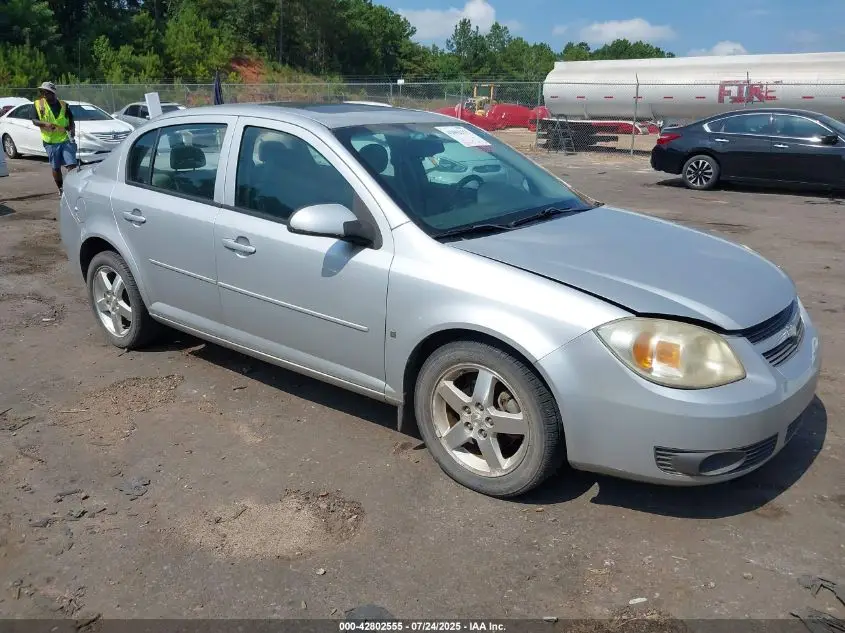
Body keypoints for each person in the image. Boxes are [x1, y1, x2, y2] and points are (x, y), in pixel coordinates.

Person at [31, 81, 77, 195]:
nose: (44, 94)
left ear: (53, 93)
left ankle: (72, 187)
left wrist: (72, 129)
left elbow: (71, 119)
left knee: (72, 164)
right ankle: (61, 188)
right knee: (56, 167)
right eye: (42, 92)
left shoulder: (64, 105)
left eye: (47, 92)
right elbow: (34, 120)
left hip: (65, 139)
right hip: (50, 142)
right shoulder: (38, 104)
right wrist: (45, 124)